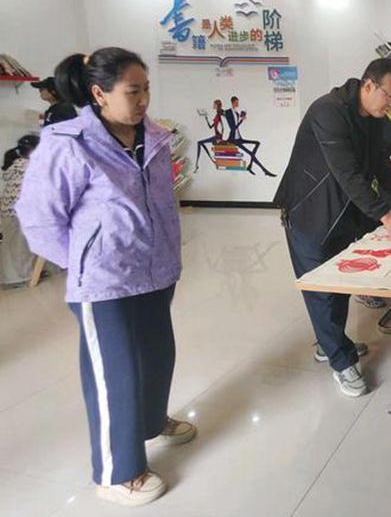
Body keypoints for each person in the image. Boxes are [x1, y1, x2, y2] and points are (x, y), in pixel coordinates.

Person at [16, 48, 194, 507]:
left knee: (157, 356)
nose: (143, 99)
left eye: (146, 89)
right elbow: (39, 218)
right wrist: (84, 262)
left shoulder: (154, 136)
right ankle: (118, 472)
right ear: (99, 93)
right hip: (103, 282)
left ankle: (150, 423)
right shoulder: (67, 142)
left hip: (155, 271)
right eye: (133, 91)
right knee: (115, 372)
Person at [273, 59, 391, 397]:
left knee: (340, 282)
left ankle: (329, 343)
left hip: (343, 212)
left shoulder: (373, 118)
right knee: (321, 289)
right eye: (390, 96)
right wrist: (387, 216)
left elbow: (382, 168)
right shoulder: (328, 111)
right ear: (368, 85)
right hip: (309, 213)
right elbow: (348, 174)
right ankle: (341, 361)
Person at [352, 109, 391, 311]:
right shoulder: (358, 117)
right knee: (368, 238)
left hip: (387, 182)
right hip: (366, 191)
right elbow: (353, 173)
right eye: (389, 96)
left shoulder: (389, 115)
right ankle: (365, 288)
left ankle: (385, 281)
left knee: (387, 236)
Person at [1, 134, 40, 288]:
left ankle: (14, 277)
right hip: (19, 213)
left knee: (11, 246)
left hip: (7, 211)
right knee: (20, 247)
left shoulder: (16, 164)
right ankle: (20, 278)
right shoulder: (31, 166)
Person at [223, 95, 276, 177]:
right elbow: (233, 128)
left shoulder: (236, 113)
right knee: (251, 153)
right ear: (232, 102)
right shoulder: (228, 112)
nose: (237, 104)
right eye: (236, 102)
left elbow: (236, 126)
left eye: (238, 102)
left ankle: (250, 166)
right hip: (233, 140)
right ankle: (264, 170)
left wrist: (241, 118)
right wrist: (241, 121)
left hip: (239, 138)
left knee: (257, 143)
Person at [195, 99, 224, 171]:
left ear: (217, 105)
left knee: (199, 142)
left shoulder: (220, 113)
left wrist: (220, 138)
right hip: (216, 136)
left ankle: (198, 165)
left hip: (218, 136)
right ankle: (211, 162)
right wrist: (206, 119)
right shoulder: (217, 114)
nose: (213, 105)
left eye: (214, 104)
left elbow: (224, 126)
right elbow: (211, 127)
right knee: (200, 143)